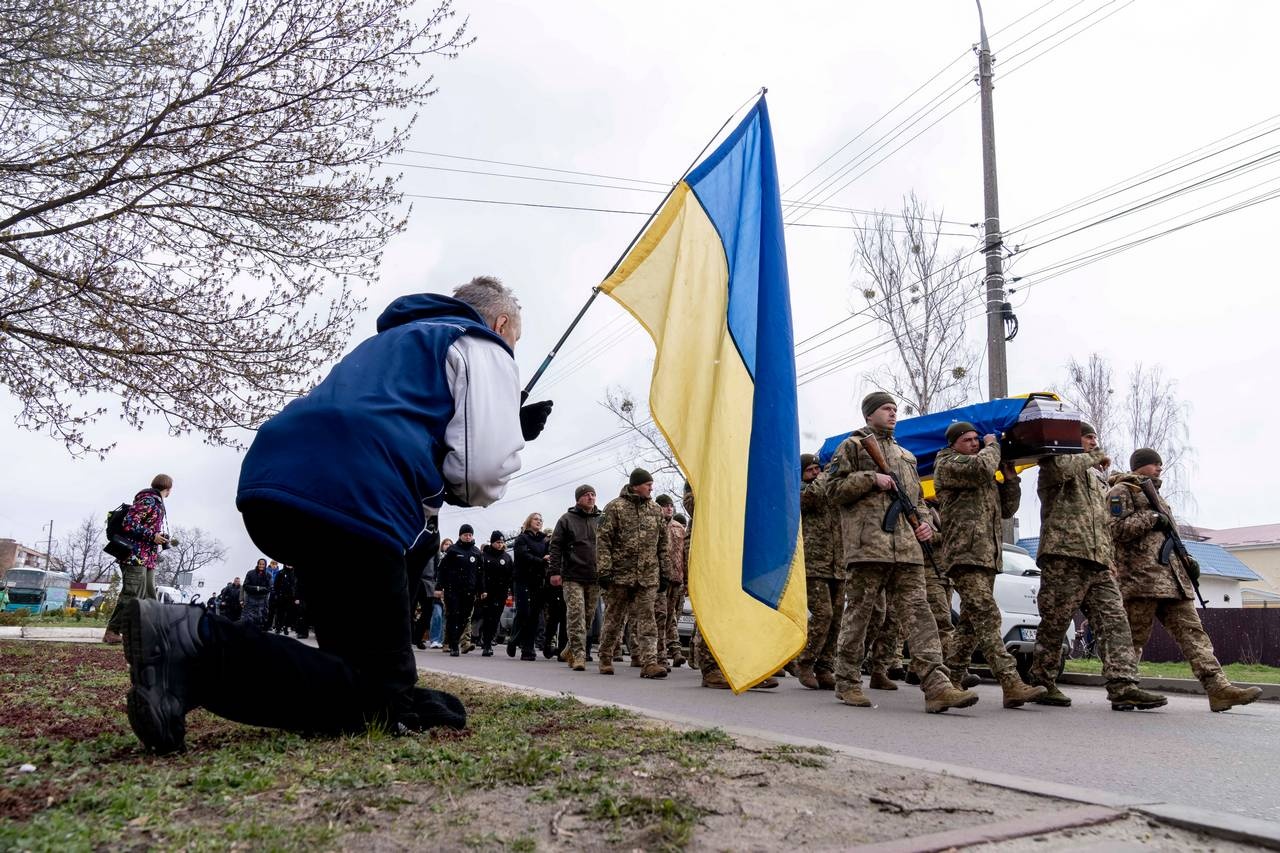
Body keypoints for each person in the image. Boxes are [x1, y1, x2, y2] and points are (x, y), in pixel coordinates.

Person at [120, 276, 551, 754]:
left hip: (280, 485)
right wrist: (506, 430)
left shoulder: (388, 342)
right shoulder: (479, 341)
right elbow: (480, 475)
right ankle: (193, 644)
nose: (510, 348)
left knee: (364, 672)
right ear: (501, 322)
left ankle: (182, 672)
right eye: (514, 340)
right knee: (376, 700)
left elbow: (400, 419)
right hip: (360, 500)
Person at [825, 392, 977, 713]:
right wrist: (871, 478)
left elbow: (918, 501)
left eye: (895, 409)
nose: (893, 413)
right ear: (869, 415)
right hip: (870, 547)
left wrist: (924, 525)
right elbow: (832, 490)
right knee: (861, 615)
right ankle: (847, 680)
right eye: (885, 409)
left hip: (907, 550)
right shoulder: (852, 447)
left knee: (920, 615)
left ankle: (937, 686)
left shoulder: (906, 456)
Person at [1108, 449, 1261, 712]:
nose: (1159, 469)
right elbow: (1115, 529)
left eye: (1161, 465)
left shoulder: (1156, 495)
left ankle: (1218, 688)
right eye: (1155, 464)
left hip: (1172, 581)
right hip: (1141, 581)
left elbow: (1167, 538)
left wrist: (1186, 560)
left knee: (1194, 635)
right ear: (1140, 466)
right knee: (1132, 639)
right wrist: (1153, 517)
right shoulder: (1122, 491)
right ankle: (1123, 689)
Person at [1027, 423, 1167, 711]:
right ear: (1072, 439)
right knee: (1056, 622)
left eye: (1095, 438)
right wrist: (1095, 454)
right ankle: (1042, 681)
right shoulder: (1053, 464)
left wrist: (1110, 558)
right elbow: (1064, 469)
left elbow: (1103, 522)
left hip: (1099, 562)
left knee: (1115, 622)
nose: (1094, 441)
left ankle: (1123, 686)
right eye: (1088, 437)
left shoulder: (1097, 478)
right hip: (1064, 556)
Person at [934, 422, 1046, 708]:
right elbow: (982, 467)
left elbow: (1007, 509)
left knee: (971, 625)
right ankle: (1011, 683)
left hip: (987, 556)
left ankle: (950, 682)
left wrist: (1011, 480)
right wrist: (992, 444)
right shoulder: (948, 463)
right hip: (964, 555)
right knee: (987, 616)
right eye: (968, 440)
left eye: (976, 439)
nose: (974, 444)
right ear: (954, 444)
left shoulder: (982, 474)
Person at [595, 469, 670, 679]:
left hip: (648, 576)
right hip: (619, 575)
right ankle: (605, 657)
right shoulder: (614, 508)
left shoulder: (656, 510)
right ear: (636, 485)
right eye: (648, 484)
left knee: (648, 619)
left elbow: (663, 544)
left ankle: (650, 663)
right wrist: (604, 570)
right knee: (614, 619)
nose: (651, 488)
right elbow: (603, 541)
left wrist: (665, 573)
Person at [795, 453, 846, 690]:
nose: (816, 473)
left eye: (818, 468)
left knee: (836, 618)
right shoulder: (801, 491)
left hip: (838, 563)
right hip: (814, 563)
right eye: (810, 470)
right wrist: (826, 475)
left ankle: (825, 666)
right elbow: (811, 498)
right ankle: (805, 662)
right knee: (823, 614)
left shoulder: (830, 489)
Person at [103, 475, 174, 645]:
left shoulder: (156, 502)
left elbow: (144, 526)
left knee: (149, 595)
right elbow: (129, 523)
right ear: (169, 489)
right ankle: (112, 631)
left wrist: (159, 537)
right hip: (135, 556)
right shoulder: (148, 500)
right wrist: (152, 536)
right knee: (132, 594)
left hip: (147, 558)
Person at [549, 485, 603, 671]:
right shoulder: (566, 520)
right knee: (576, 616)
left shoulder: (601, 519)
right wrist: (554, 571)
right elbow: (555, 547)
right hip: (572, 576)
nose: (591, 497)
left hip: (594, 576)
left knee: (587, 619)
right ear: (578, 498)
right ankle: (579, 656)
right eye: (586, 495)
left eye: (593, 494)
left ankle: (568, 649)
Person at [438, 526, 484, 657]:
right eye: (465, 534)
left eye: (470, 534)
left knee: (465, 617)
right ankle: (453, 646)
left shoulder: (476, 552)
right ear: (460, 535)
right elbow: (442, 569)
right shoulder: (452, 550)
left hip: (469, 591)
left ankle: (455, 639)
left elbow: (480, 573)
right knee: (453, 616)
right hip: (453, 590)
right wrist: (439, 587)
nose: (468, 537)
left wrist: (482, 589)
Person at [654, 495, 687, 669]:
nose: (669, 508)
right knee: (660, 616)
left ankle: (674, 652)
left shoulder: (679, 528)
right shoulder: (654, 525)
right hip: (659, 579)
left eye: (671, 506)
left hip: (677, 579)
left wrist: (686, 579)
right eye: (665, 506)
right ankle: (660, 656)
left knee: (671, 617)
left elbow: (685, 555)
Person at [510, 514, 549, 661]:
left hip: (537, 581)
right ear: (529, 521)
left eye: (541, 519)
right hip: (523, 580)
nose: (539, 521)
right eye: (536, 519)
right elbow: (523, 556)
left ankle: (528, 647)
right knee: (524, 612)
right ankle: (515, 641)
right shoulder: (522, 538)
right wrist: (541, 560)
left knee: (534, 615)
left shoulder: (544, 540)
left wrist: (545, 560)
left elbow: (548, 556)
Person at [478, 530, 512, 656]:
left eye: (502, 542)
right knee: (487, 617)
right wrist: (482, 590)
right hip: (487, 592)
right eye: (498, 542)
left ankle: (489, 640)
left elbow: (510, 576)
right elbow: (481, 574)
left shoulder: (506, 557)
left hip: (501, 593)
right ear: (492, 542)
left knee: (495, 619)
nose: (500, 545)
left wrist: (511, 591)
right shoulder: (484, 556)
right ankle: (486, 644)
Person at [241, 559, 272, 629]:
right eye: (260, 564)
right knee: (249, 618)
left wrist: (261, 589)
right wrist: (256, 588)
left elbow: (269, 588)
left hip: (262, 600)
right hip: (250, 599)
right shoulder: (250, 573)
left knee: (261, 617)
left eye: (263, 564)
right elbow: (245, 586)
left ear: (265, 565)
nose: (261, 565)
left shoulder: (268, 575)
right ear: (257, 564)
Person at [271, 564, 298, 635]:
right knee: (280, 613)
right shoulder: (280, 573)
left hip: (291, 597)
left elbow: (296, 585)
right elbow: (276, 585)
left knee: (289, 613)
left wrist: (296, 596)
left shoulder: (295, 573)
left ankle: (286, 627)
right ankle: (278, 628)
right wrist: (277, 595)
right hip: (281, 596)